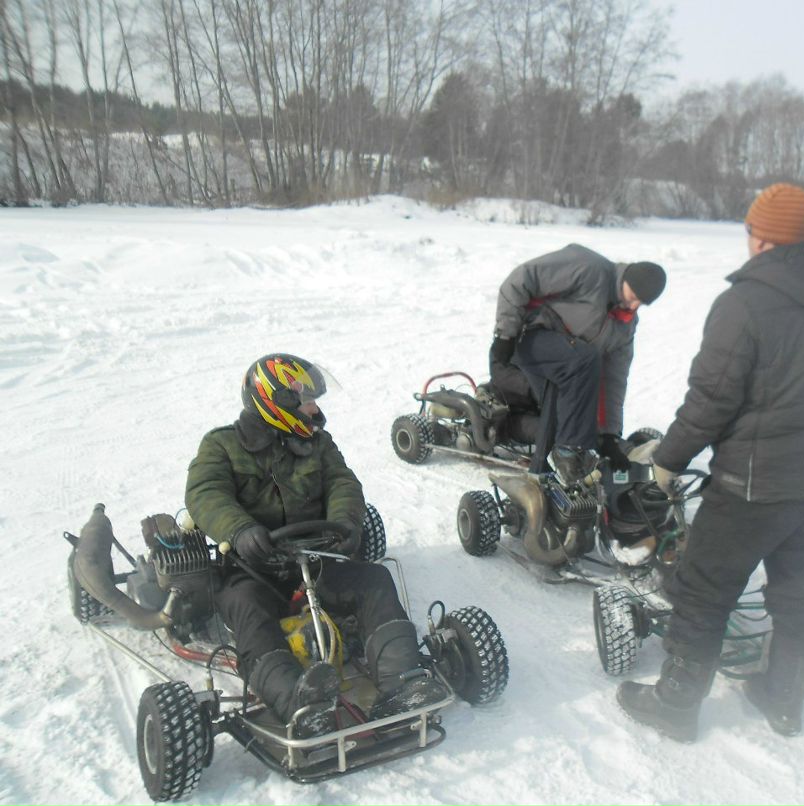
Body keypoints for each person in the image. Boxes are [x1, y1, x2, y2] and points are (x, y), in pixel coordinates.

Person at [617, 183, 804, 742]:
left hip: (751, 488)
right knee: (801, 591)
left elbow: (711, 401)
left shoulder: (745, 303)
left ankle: (676, 705)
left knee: (703, 589)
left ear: (759, 238)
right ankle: (785, 700)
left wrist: (669, 460)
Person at [185, 354, 447, 736]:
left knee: (374, 580)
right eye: (305, 398)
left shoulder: (318, 443)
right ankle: (299, 704)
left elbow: (344, 483)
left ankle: (404, 683)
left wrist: (345, 522)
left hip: (316, 558)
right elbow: (205, 493)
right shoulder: (222, 445)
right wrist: (240, 530)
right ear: (277, 402)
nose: (313, 407)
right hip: (253, 568)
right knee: (247, 609)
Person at [490, 243, 667, 482]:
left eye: (641, 304)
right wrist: (505, 334)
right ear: (626, 279)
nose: (633, 306)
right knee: (585, 360)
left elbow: (613, 381)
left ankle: (566, 450)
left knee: (569, 406)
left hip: (567, 360)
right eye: (633, 296)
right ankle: (569, 451)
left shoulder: (625, 327)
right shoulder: (589, 269)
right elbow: (521, 279)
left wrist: (609, 435)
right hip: (526, 336)